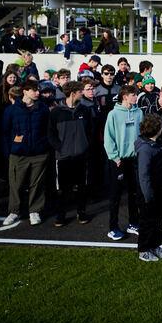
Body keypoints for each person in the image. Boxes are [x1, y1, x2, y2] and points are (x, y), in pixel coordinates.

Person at [1, 81, 50, 227]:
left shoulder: (43, 108)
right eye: (34, 90)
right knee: (16, 184)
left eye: (38, 91)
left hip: (39, 153)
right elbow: (5, 132)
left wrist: (44, 146)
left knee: (37, 184)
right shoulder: (11, 110)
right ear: (25, 91)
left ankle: (34, 211)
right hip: (18, 154)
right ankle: (14, 211)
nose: (37, 93)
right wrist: (9, 151)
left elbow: (48, 128)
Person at [47, 81, 92, 227]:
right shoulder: (56, 112)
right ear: (73, 93)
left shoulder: (85, 110)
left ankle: (82, 212)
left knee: (82, 187)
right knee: (62, 189)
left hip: (81, 156)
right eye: (80, 91)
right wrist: (61, 148)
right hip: (63, 157)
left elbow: (91, 131)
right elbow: (51, 134)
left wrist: (85, 146)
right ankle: (61, 215)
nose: (82, 94)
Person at [103, 84, 144, 241]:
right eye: (133, 95)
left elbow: (142, 135)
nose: (136, 97)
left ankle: (133, 223)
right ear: (125, 96)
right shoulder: (113, 114)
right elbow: (108, 139)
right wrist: (115, 157)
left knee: (134, 194)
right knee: (116, 196)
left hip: (134, 160)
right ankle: (113, 228)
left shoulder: (139, 112)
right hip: (118, 161)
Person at [135, 113, 162, 262]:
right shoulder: (146, 149)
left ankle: (155, 245)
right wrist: (149, 196)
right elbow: (143, 176)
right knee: (147, 222)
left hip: (159, 190)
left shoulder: (156, 143)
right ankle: (143, 250)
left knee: (157, 221)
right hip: (149, 193)